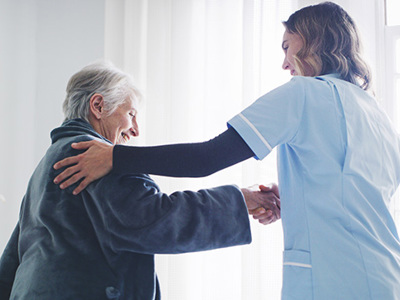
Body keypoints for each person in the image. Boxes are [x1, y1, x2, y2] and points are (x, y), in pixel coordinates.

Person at [52, 2, 400, 299]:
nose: (284, 63)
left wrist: (115, 157)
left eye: (285, 46)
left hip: (332, 280)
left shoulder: (303, 93)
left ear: (312, 41)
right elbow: (358, 196)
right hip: (386, 274)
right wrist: (294, 197)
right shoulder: (376, 113)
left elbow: (208, 157)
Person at [0, 61, 281, 300]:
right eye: (131, 114)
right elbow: (151, 219)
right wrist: (239, 201)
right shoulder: (95, 156)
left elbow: (14, 254)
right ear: (98, 105)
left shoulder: (48, 162)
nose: (135, 130)